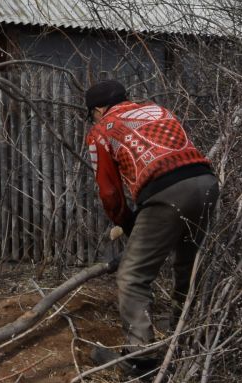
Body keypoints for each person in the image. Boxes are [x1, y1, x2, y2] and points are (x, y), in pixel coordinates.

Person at [84, 79, 218, 359]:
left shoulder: (101, 130)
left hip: (165, 192)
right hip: (205, 182)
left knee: (133, 276)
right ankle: (187, 342)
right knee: (188, 267)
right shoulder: (159, 111)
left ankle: (140, 357)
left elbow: (109, 191)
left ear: (98, 109)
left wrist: (125, 220)